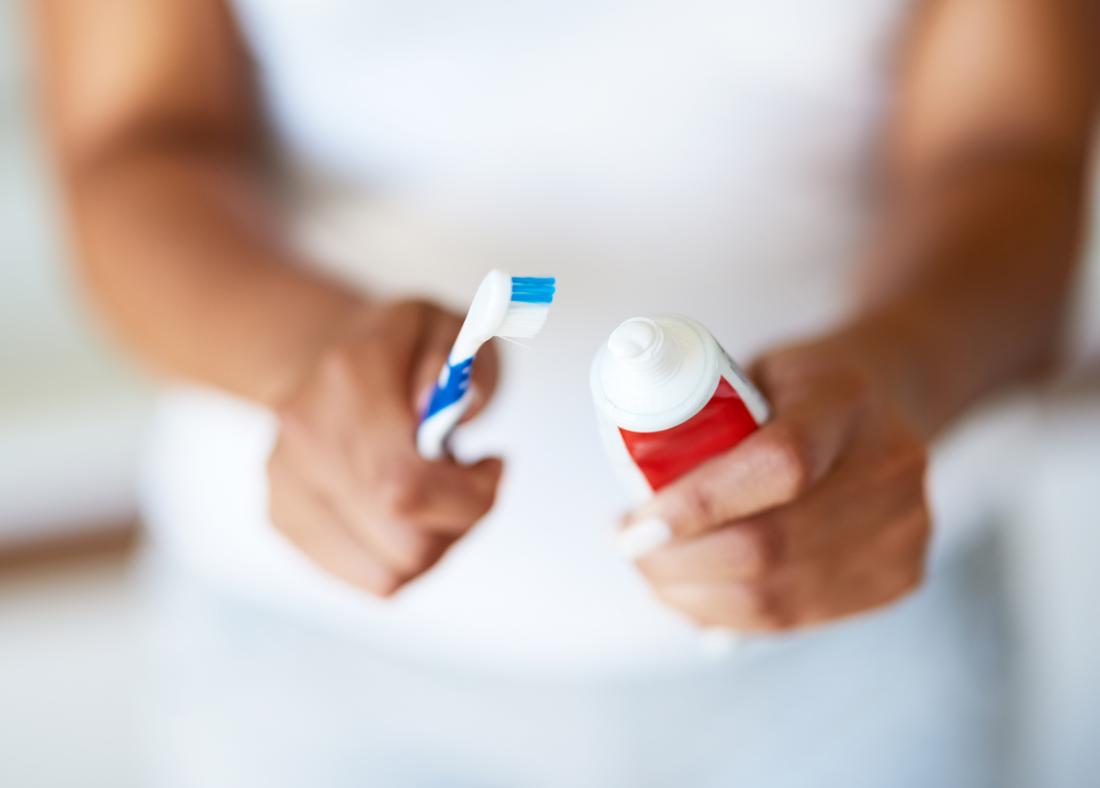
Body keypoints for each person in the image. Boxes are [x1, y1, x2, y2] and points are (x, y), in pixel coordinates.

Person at [36, 1, 1097, 786]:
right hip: (310, 655)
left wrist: (903, 366)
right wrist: (300, 354)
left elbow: (1015, 149)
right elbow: (129, 142)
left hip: (855, 647)